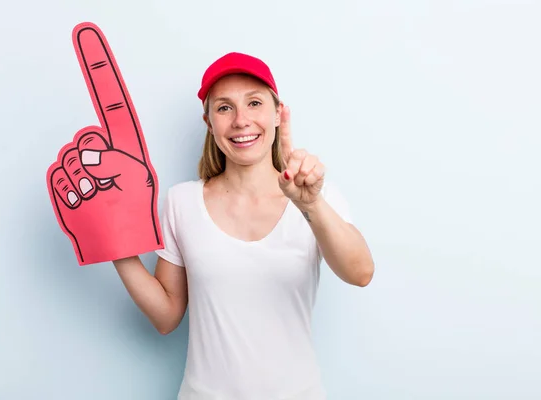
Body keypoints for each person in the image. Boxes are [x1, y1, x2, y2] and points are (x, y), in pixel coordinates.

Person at [112, 52, 375, 400]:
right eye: (224, 108)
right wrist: (114, 243)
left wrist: (309, 203)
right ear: (209, 123)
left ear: (278, 114)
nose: (241, 120)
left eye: (254, 103)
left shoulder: (316, 193)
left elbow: (361, 273)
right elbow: (166, 317)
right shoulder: (181, 202)